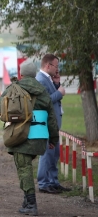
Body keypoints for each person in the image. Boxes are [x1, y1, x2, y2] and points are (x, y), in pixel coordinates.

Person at [0, 62, 59, 215]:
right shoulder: (42, 91)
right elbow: (51, 117)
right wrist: (53, 139)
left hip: (20, 134)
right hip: (40, 136)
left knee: (24, 169)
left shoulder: (15, 88)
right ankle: (26, 200)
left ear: (21, 74)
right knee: (26, 167)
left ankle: (31, 204)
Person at [36, 54, 69, 194]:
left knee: (55, 153)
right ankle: (43, 183)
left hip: (53, 123)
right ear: (48, 65)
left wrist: (56, 83)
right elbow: (45, 101)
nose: (57, 69)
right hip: (47, 123)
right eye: (56, 66)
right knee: (47, 153)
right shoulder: (40, 80)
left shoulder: (48, 79)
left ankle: (53, 182)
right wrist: (60, 92)